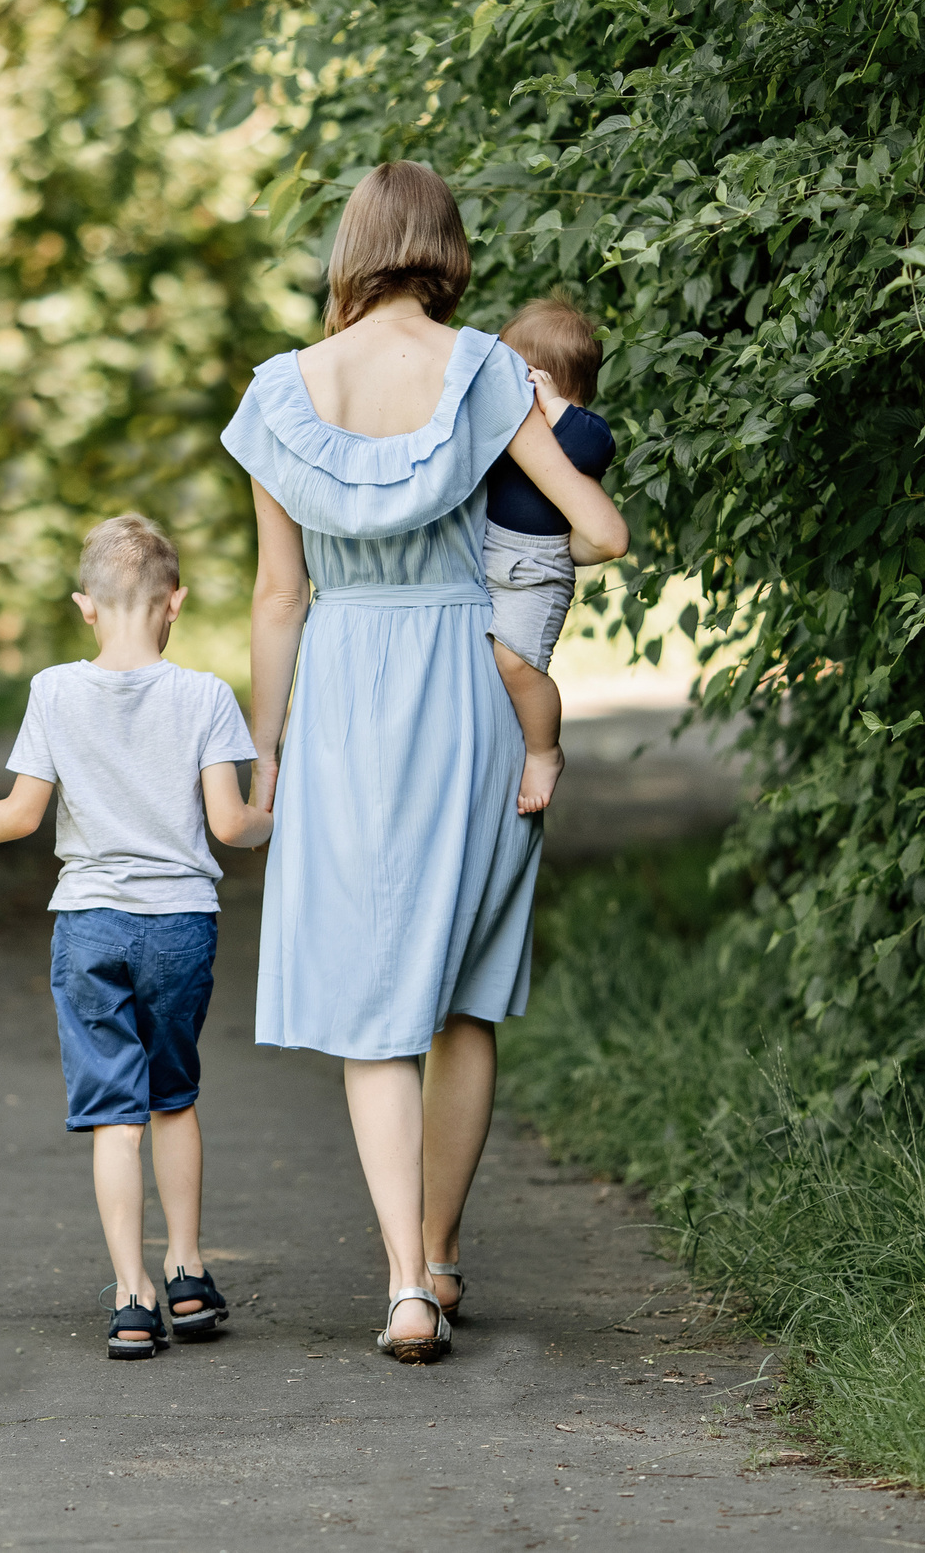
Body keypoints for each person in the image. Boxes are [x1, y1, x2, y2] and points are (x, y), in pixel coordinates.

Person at [224, 161, 627, 1363]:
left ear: (349, 251)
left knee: (370, 1001)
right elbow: (599, 533)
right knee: (457, 991)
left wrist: (265, 760)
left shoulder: (279, 396)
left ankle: (404, 1280)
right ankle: (441, 1257)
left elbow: (277, 597)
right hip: (468, 686)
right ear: (447, 253)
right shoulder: (489, 372)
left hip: (345, 688)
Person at [0, 515, 269, 1360]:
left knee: (116, 1114)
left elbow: (24, 813)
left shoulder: (56, 691)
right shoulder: (207, 696)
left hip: (90, 924)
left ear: (85, 607)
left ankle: (131, 1295)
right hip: (182, 925)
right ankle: (186, 1268)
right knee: (174, 1096)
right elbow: (228, 825)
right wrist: (270, 814)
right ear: (174, 603)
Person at [479, 297, 619, 815]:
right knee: (490, 663)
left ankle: (544, 751)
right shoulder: (505, 425)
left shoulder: (580, 431)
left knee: (517, 663)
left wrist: (554, 405)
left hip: (536, 570)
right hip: (489, 556)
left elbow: (594, 453)